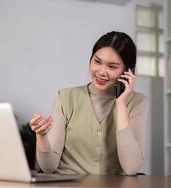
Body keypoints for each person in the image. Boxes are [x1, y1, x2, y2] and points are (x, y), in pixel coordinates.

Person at [30, 31, 148, 175]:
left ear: (127, 71)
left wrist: (121, 104)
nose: (102, 72)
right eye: (97, 62)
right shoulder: (66, 98)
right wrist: (41, 137)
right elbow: (48, 167)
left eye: (112, 67)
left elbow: (131, 168)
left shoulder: (137, 102)